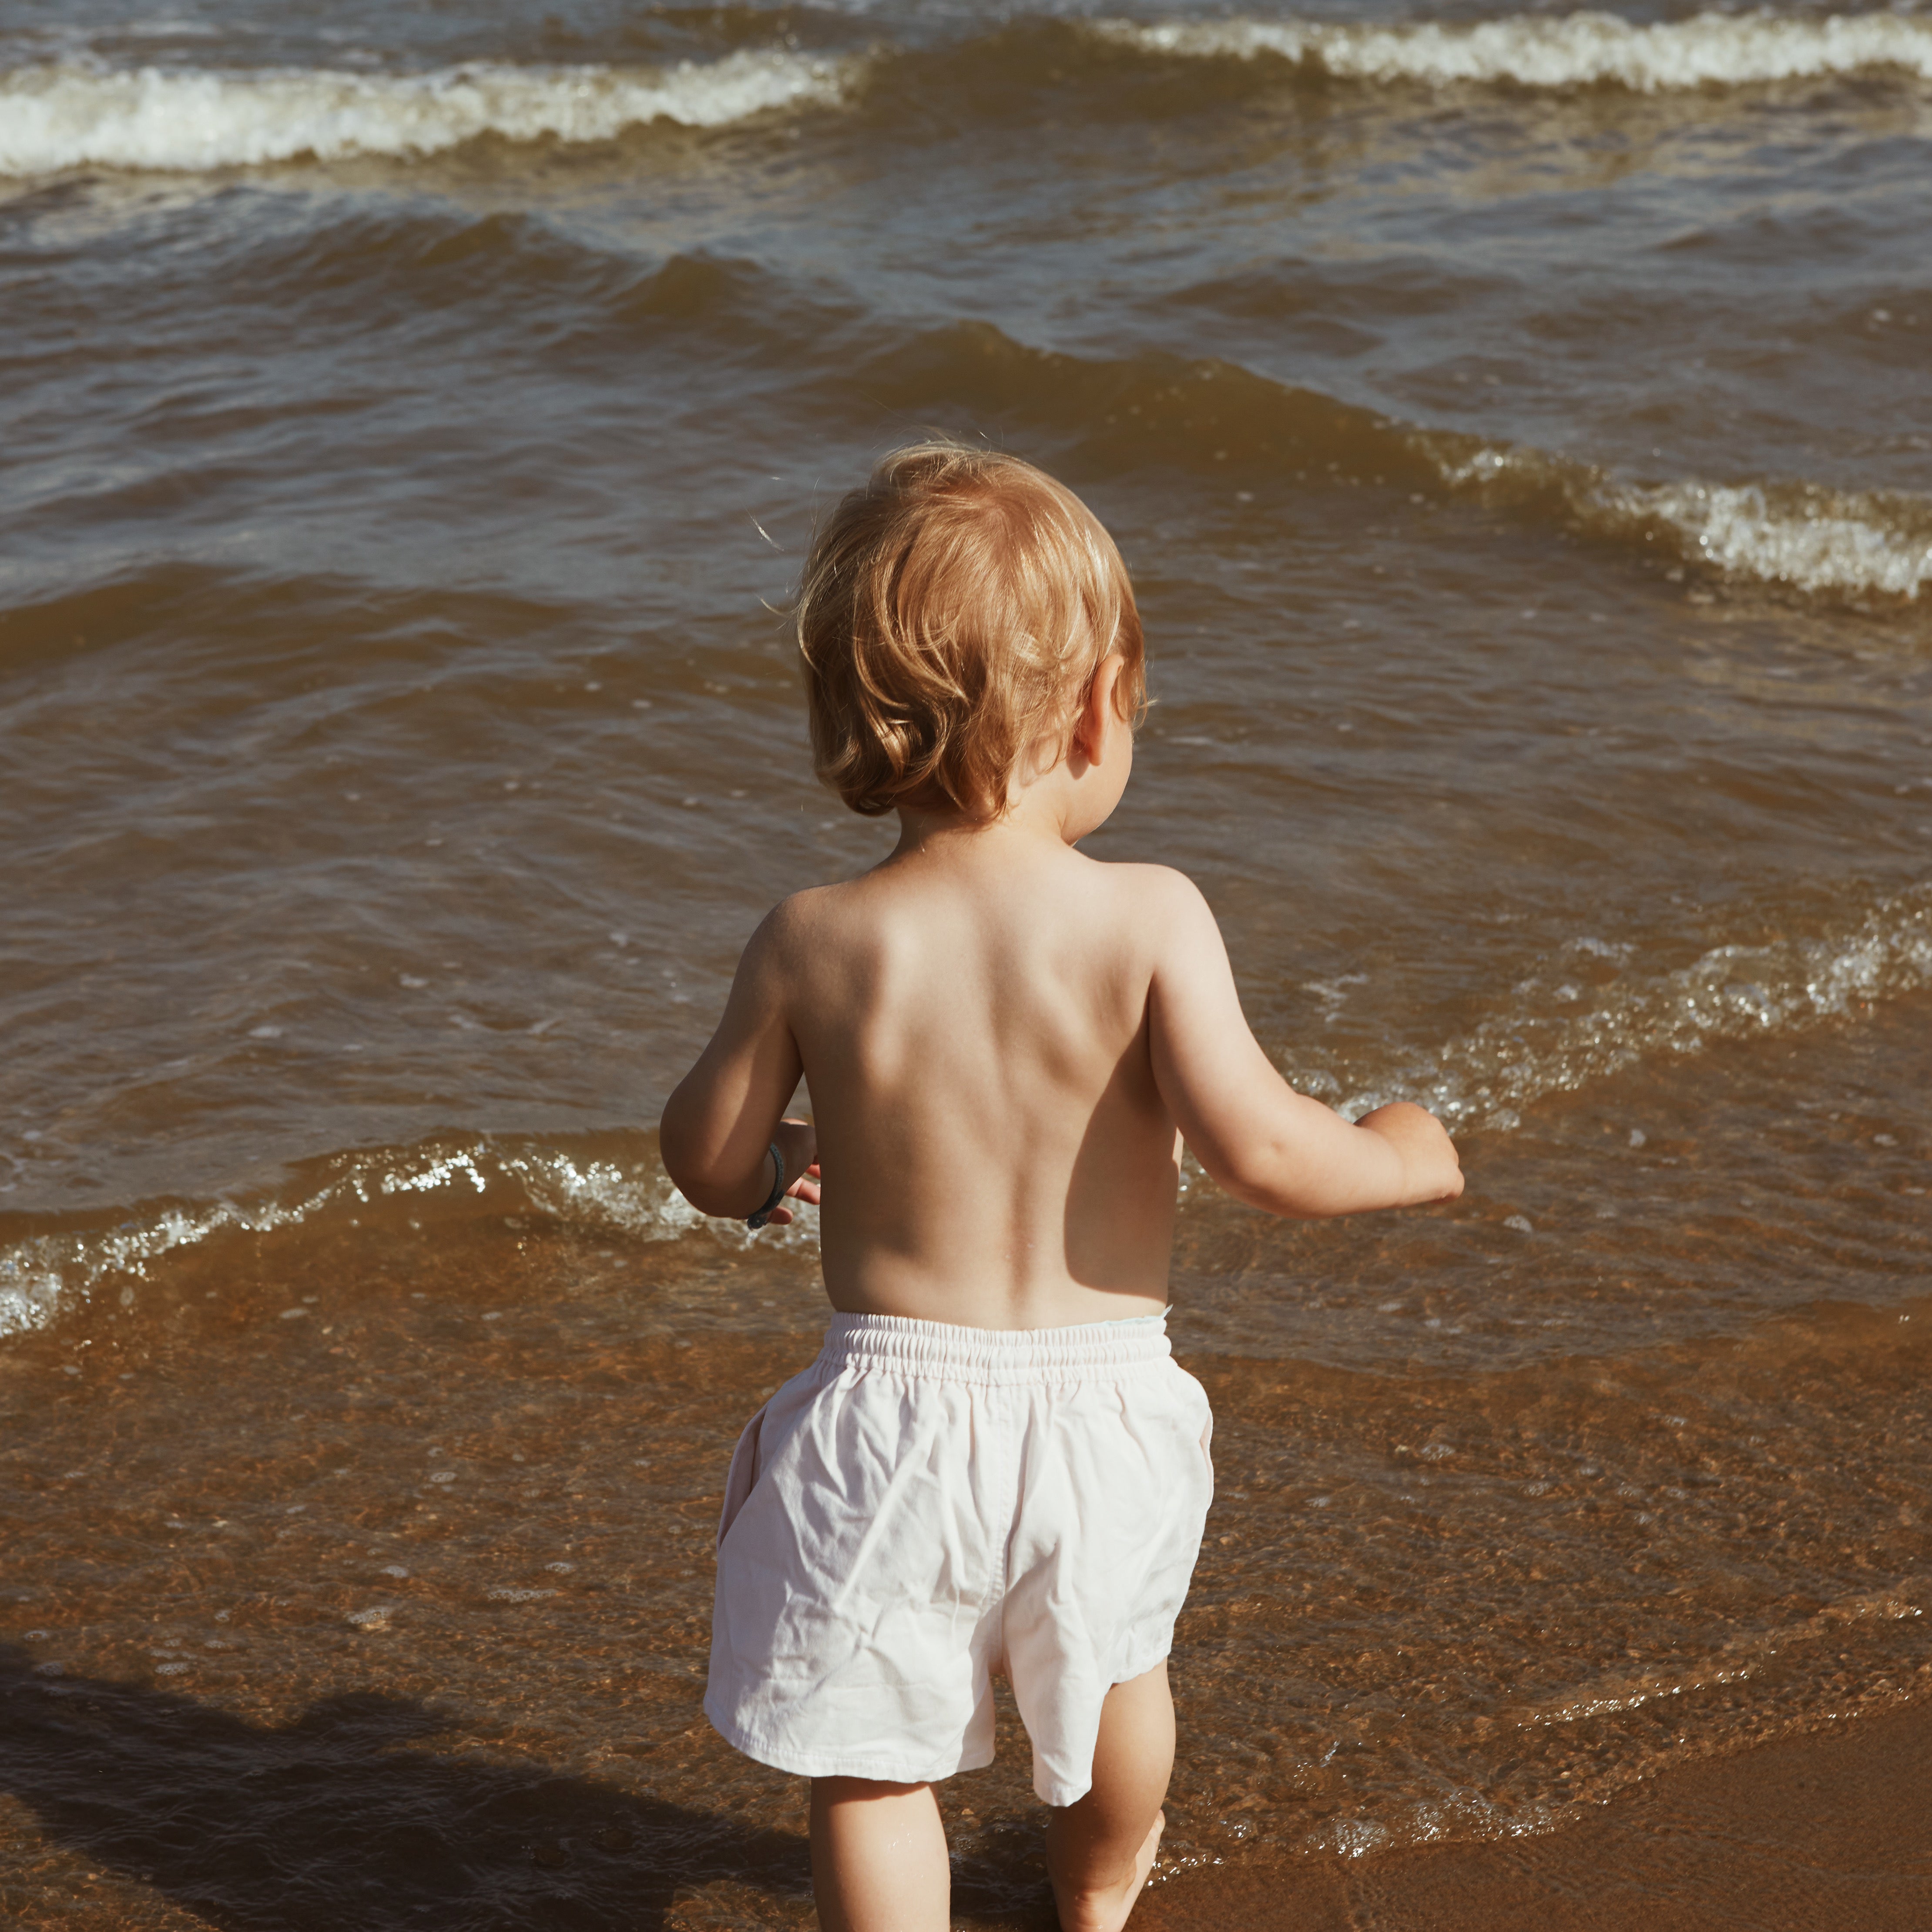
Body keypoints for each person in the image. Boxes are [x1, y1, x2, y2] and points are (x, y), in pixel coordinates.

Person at [658, 441, 1463, 1932]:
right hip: (1105, 1415)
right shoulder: (1151, 917)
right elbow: (1265, 1150)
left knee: (872, 1763)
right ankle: (1093, 1898)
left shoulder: (814, 937)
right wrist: (1406, 1156)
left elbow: (704, 1161)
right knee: (1112, 1678)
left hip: (889, 1418)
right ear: (1098, 710)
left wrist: (780, 1164)